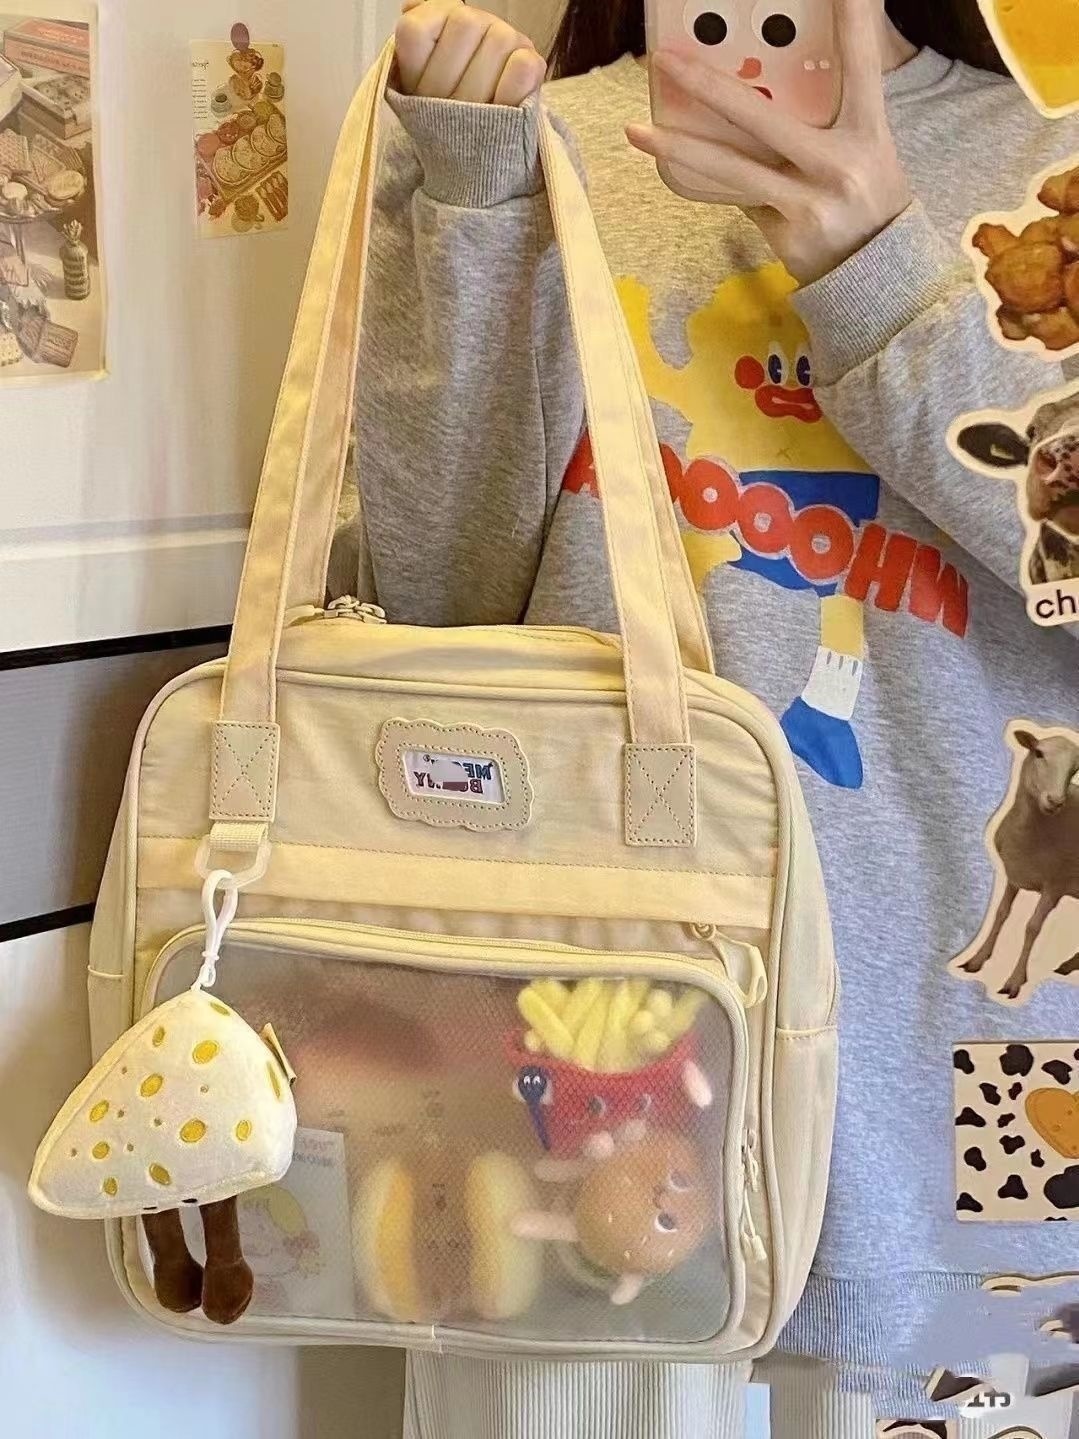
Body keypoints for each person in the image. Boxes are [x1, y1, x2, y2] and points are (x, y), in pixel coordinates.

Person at [343, 0, 1079, 1433]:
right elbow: (444, 614)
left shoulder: (1047, 169)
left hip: (982, 1079)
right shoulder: (515, 151)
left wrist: (879, 263)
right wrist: (475, 203)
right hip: (592, 1051)